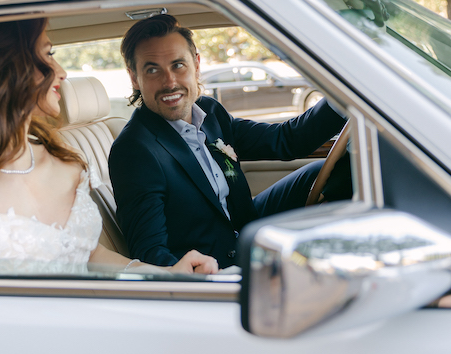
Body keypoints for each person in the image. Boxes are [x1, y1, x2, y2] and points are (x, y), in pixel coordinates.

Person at [0, 19, 218, 275]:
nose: (62, 72)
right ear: (8, 66)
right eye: (49, 54)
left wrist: (167, 275)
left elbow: (86, 254)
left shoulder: (65, 163)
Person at [108, 14, 346, 269]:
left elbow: (285, 140)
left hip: (244, 228)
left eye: (178, 65)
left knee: (327, 172)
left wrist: (345, 94)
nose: (170, 82)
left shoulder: (210, 112)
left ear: (196, 65)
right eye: (152, 69)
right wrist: (213, 283)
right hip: (218, 264)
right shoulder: (134, 151)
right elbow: (150, 253)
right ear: (134, 77)